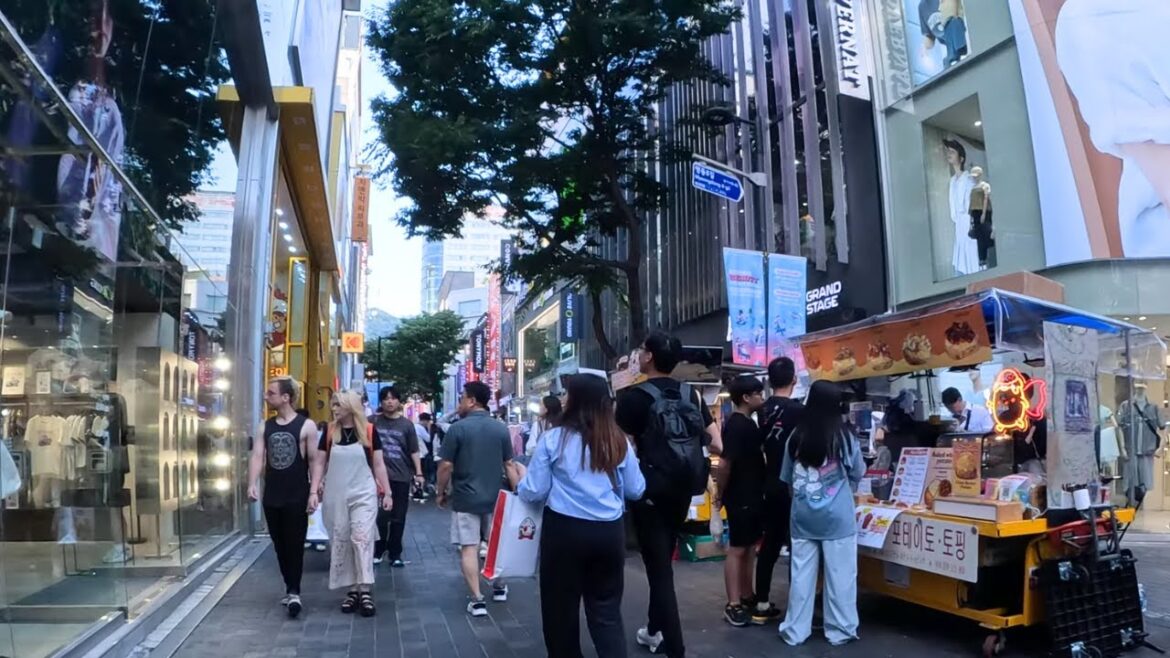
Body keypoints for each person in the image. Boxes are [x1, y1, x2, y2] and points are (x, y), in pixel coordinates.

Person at [517, 374, 646, 657]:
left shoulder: (554, 439)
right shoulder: (618, 441)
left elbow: (534, 491)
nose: (563, 399)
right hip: (609, 534)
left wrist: (520, 483)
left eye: (567, 395)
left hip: (564, 533)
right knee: (606, 613)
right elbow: (637, 489)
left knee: (560, 613)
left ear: (575, 401)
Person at [615, 331, 722, 657]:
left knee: (659, 570)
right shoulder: (692, 395)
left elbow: (617, 448)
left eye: (641, 351)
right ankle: (652, 629)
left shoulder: (633, 397)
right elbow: (718, 444)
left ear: (648, 357)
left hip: (648, 492)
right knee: (662, 562)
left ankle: (674, 648)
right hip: (684, 490)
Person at [779, 380, 864, 647]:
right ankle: (839, 630)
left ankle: (795, 630)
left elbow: (788, 480)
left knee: (802, 577)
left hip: (802, 517)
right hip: (837, 519)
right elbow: (857, 472)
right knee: (840, 577)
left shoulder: (795, 436)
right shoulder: (844, 436)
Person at [437, 381, 521, 617]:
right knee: (498, 545)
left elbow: (445, 466)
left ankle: (477, 599)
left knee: (469, 548)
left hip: (465, 498)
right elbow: (510, 465)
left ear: (472, 400)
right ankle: (499, 587)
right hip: (496, 497)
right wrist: (518, 495)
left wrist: (440, 492)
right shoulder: (500, 429)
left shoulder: (458, 429)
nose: (460, 402)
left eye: (462, 397)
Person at [309, 391, 393, 616]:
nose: (334, 409)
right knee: (342, 539)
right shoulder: (329, 431)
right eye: (333, 404)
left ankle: (364, 588)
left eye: (338, 405)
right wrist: (313, 490)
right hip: (336, 493)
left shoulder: (368, 431)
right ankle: (352, 590)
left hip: (363, 492)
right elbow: (319, 462)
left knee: (361, 536)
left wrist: (387, 493)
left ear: (350, 406)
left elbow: (378, 463)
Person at [247, 376, 320, 618]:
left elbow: (314, 460)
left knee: (295, 543)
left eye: (271, 393)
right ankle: (290, 586)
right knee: (279, 544)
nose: (267, 397)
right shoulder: (264, 426)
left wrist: (314, 491)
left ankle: (294, 590)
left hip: (297, 493)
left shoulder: (306, 426)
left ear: (286, 397)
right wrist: (252, 484)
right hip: (273, 494)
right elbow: (258, 456)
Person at [714, 375, 767, 627]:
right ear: (746, 397)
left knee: (748, 548)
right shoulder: (736, 425)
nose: (762, 397)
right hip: (740, 496)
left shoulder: (749, 423)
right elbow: (725, 464)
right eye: (758, 393)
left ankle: (747, 595)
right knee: (737, 548)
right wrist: (719, 495)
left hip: (753, 494)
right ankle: (733, 603)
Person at [753, 357, 802, 625]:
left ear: (769, 381)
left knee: (770, 544)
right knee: (797, 546)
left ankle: (761, 601)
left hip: (767, 482)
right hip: (795, 486)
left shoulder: (760, 409)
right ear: (794, 379)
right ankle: (797, 604)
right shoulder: (799, 411)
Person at [369, 387, 424, 568]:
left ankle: (395, 553)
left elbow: (413, 450)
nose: (389, 402)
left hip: (401, 476)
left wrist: (419, 473)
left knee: (398, 517)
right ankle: (378, 548)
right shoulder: (372, 422)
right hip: (376, 478)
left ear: (399, 402)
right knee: (380, 516)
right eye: (386, 399)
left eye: (393, 398)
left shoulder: (406, 425)